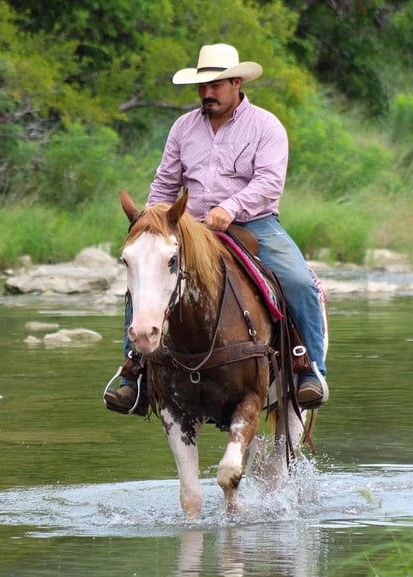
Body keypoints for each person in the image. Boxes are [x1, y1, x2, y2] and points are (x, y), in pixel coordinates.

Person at [104, 43, 329, 414]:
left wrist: (230, 207)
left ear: (237, 83)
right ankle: (134, 374)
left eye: (216, 85)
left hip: (254, 223)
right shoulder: (183, 128)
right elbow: (165, 184)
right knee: (144, 276)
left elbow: (269, 182)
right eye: (202, 86)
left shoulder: (266, 126)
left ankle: (310, 369)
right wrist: (151, 220)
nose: (207, 93)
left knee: (299, 281)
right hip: (190, 227)